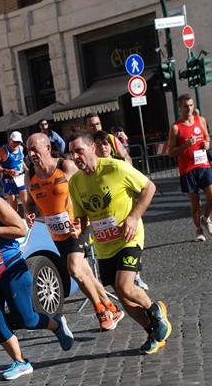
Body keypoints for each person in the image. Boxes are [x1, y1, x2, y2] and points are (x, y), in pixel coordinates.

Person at [0, 164, 74, 380]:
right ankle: (20, 362)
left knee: (26, 319)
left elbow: (20, 228)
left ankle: (56, 323)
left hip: (11, 267)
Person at [68, 131, 172, 355]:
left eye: (79, 150)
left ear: (92, 148)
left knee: (125, 286)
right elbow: (83, 217)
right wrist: (78, 226)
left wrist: (134, 217)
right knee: (123, 298)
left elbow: (149, 188)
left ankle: (156, 309)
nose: (75, 156)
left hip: (129, 237)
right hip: (105, 245)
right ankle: (152, 331)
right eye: (72, 152)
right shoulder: (75, 182)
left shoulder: (115, 168)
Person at [24, 132, 124, 331]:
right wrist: (29, 213)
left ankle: (101, 311)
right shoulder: (30, 175)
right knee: (85, 272)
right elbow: (28, 202)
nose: (31, 153)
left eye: (35, 148)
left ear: (47, 148)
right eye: (28, 150)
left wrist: (84, 219)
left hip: (77, 227)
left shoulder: (65, 166)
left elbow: (83, 188)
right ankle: (112, 308)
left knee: (75, 269)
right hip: (56, 233)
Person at [93, 130, 149, 291]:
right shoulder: (88, 172)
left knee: (125, 283)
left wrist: (134, 216)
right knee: (118, 286)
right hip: (106, 233)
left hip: (127, 224)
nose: (103, 147)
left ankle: (137, 277)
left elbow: (145, 187)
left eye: (106, 144)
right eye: (99, 145)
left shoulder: (120, 164)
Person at [168, 94, 212, 242]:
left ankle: (206, 218)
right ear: (179, 109)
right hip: (187, 170)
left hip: (203, 165)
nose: (189, 108)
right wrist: (185, 145)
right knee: (196, 203)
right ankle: (198, 230)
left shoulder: (200, 120)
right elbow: (170, 152)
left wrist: (207, 143)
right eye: (185, 106)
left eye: (190, 105)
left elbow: (207, 137)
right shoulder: (176, 127)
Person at [0, 131, 29, 213]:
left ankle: (29, 223)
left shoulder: (21, 148)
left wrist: (27, 170)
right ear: (10, 140)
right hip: (9, 179)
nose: (16, 144)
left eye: (18, 142)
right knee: (14, 207)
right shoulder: (3, 150)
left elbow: (20, 161)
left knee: (26, 204)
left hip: (20, 178)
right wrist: (8, 171)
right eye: (15, 142)